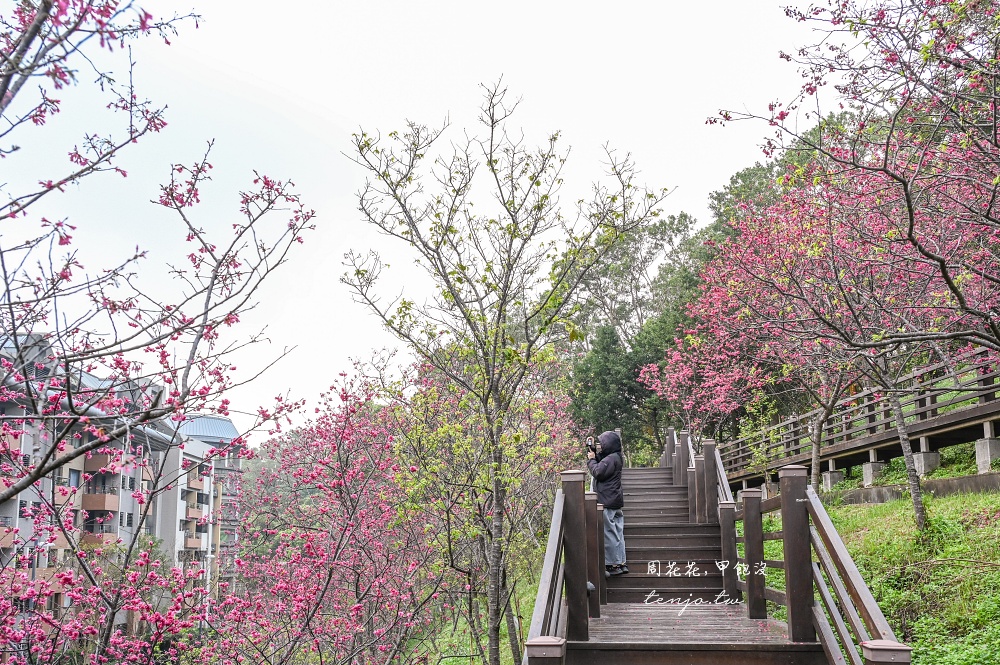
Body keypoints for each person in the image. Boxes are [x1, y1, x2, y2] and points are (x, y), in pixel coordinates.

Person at [587, 430, 627, 576]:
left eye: (602, 444)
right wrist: (593, 453)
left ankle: (612, 564)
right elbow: (602, 462)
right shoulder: (616, 457)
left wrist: (591, 460)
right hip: (615, 500)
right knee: (617, 532)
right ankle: (621, 562)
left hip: (607, 500)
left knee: (609, 532)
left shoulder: (611, 459)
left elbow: (598, 472)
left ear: (608, 444)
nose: (600, 446)